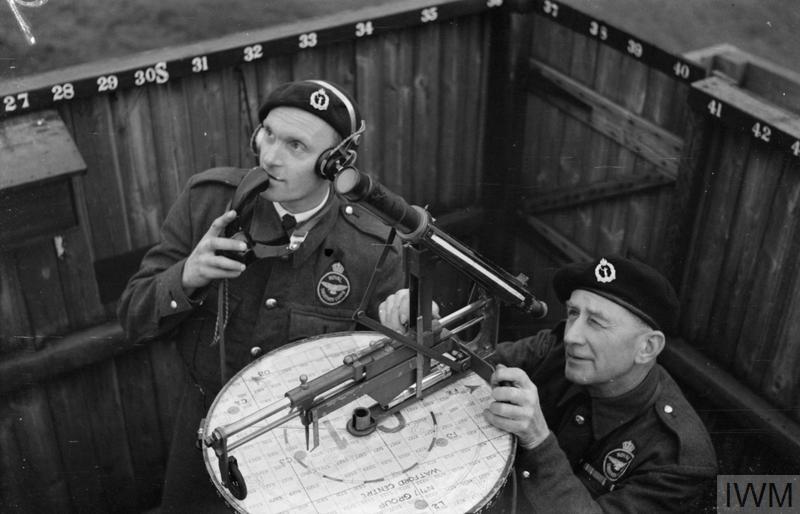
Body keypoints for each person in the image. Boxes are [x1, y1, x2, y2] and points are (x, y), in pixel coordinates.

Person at [118, 79, 404, 512]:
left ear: (334, 163)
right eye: (268, 134)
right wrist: (187, 276)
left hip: (310, 450)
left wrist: (404, 334)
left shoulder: (374, 245)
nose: (270, 157)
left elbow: (386, 382)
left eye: (296, 146)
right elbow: (133, 320)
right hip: (207, 435)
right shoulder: (207, 202)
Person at [380, 255, 718, 512]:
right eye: (573, 313)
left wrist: (539, 441)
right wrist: (429, 335)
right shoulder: (554, 349)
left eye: (596, 323)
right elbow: (469, 373)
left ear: (647, 347)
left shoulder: (678, 460)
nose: (572, 336)